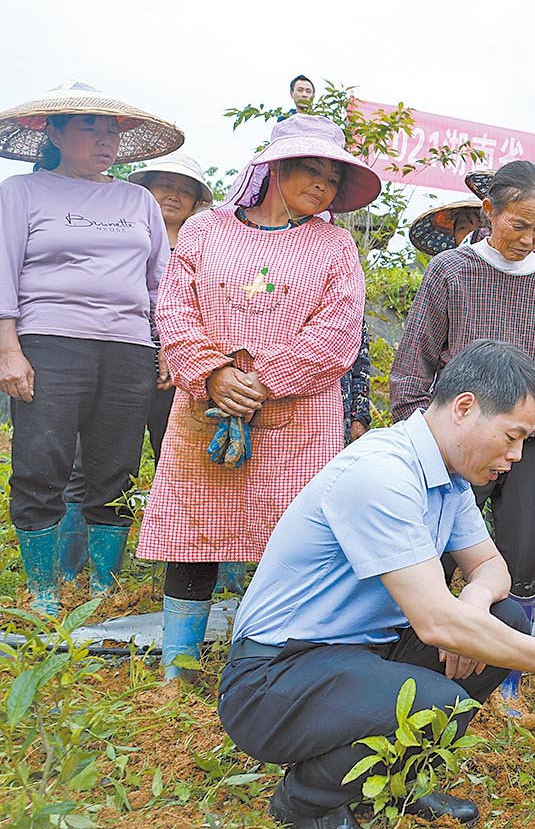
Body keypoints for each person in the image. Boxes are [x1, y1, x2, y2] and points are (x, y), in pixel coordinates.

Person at [218, 341, 535, 829]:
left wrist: (474, 599)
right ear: (465, 407)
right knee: (436, 700)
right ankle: (308, 801)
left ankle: (394, 781)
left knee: (500, 616)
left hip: (358, 656)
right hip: (274, 677)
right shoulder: (383, 472)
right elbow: (436, 623)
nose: (515, 456)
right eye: (512, 436)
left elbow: (493, 568)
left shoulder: (450, 477)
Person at [136, 114, 378, 678]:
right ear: (273, 168)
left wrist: (262, 382)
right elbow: (173, 308)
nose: (323, 185)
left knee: (291, 533)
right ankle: (180, 663)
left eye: (333, 178)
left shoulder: (336, 245)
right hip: (207, 407)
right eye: (310, 170)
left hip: (297, 415)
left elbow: (338, 333)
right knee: (194, 526)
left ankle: (263, 659)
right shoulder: (204, 230)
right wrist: (213, 373)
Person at [389, 161, 535, 704]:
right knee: (439, 550)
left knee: (520, 555)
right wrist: (418, 434)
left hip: (532, 437)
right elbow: (416, 360)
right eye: (517, 225)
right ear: (489, 212)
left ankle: (506, 678)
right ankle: (423, 661)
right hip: (460, 437)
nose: (529, 239)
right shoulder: (450, 271)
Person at [0, 82, 183, 616]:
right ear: (51, 131)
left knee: (116, 465)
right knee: (42, 460)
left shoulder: (137, 199)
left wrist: (166, 343)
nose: (105, 140)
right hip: (49, 342)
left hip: (127, 347)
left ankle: (103, 586)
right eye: (90, 127)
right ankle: (44, 589)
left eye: (111, 130)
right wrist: (8, 350)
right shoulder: (23, 192)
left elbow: (161, 281)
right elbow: (3, 272)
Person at [53, 154, 215, 586]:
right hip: (117, 359)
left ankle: (190, 566)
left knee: (182, 461)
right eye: (163, 185)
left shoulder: (206, 245)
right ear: (143, 189)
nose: (172, 195)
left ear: (198, 199)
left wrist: (173, 353)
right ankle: (73, 572)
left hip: (180, 369)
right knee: (90, 463)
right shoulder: (119, 234)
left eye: (183, 188)